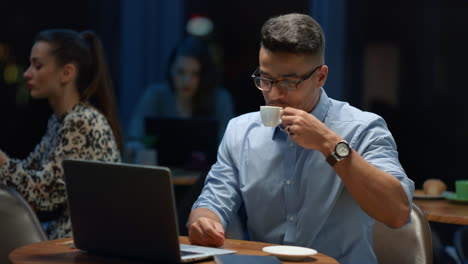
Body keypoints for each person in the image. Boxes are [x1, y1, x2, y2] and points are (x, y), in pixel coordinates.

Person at [187, 13, 414, 263]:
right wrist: (203, 220)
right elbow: (212, 200)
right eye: (265, 79)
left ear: (321, 76)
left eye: (289, 82)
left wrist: (329, 144)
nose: (273, 94)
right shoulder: (240, 131)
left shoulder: (363, 127)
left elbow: (397, 213)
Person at [0, 29, 122, 239]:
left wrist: (1, 162)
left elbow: (43, 195)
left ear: (67, 73)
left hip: (83, 242)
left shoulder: (81, 121)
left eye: (37, 66)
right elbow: (28, 174)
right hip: (64, 237)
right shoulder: (59, 120)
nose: (27, 73)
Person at [126, 35, 234, 150]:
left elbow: (226, 147)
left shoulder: (220, 100)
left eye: (195, 74)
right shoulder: (155, 96)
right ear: (171, 70)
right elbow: (134, 138)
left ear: (204, 76)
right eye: (181, 72)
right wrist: (138, 147)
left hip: (206, 168)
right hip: (162, 167)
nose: (187, 81)